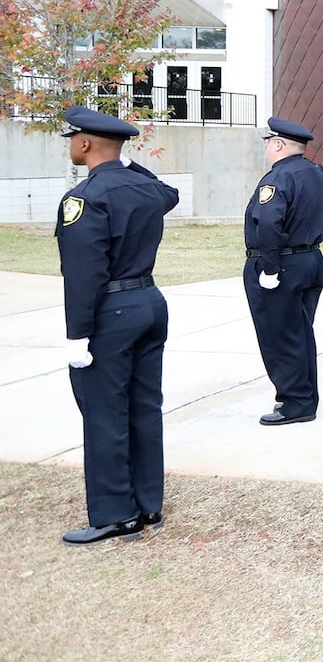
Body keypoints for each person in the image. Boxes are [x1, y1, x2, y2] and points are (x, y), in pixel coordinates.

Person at [55, 107, 180, 545]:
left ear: (85, 144)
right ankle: (148, 504)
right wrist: (127, 162)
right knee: (144, 406)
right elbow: (170, 192)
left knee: (106, 413)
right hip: (148, 301)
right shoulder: (143, 188)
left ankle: (114, 514)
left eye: (73, 138)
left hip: (111, 310)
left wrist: (77, 335)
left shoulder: (85, 198)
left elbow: (84, 273)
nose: (70, 144)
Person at [243, 116, 323, 426]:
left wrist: (268, 267)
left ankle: (295, 402)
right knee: (300, 333)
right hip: (309, 260)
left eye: (269, 142)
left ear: (278, 144)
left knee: (280, 335)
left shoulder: (277, 179)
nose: (267, 148)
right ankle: (304, 398)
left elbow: (268, 224)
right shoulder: (314, 172)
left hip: (282, 265)